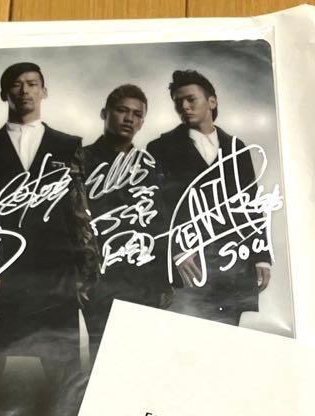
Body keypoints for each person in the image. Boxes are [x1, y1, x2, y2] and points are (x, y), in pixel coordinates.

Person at [0, 61, 97, 416]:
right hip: (0, 275)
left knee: (63, 376)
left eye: (32, 83)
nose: (24, 90)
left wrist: (86, 271)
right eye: (16, 84)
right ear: (3, 93)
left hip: (55, 275)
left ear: (44, 91)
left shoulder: (69, 146)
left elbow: (81, 213)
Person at [147, 69, 271, 326]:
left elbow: (251, 203)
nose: (184, 106)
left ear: (212, 102)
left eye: (191, 99)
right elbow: (156, 207)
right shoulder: (160, 148)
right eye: (178, 102)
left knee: (227, 339)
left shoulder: (237, 148)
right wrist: (177, 251)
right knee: (185, 337)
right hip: (188, 265)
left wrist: (262, 256)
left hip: (233, 264)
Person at [82, 83, 167, 360]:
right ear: (104, 113)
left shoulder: (149, 164)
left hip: (145, 280)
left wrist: (164, 279)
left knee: (145, 360)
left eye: (137, 114)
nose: (129, 118)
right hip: (101, 278)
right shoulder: (81, 160)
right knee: (105, 359)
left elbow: (160, 223)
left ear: (142, 122)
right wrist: (82, 277)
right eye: (122, 110)